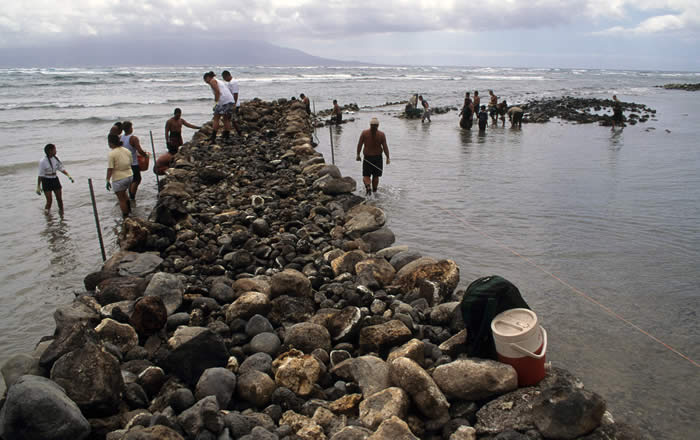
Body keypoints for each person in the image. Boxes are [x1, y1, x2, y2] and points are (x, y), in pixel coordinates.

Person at [356, 117, 390, 196]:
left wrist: (358, 155)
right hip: (377, 158)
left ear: (370, 125)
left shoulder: (364, 133)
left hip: (368, 158)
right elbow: (385, 147)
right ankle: (374, 191)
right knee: (376, 176)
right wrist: (388, 157)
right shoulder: (381, 134)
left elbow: (359, 145)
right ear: (378, 125)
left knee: (366, 175)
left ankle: (368, 187)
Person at [36, 143, 74, 215]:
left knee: (59, 199)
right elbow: (40, 175)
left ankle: (62, 214)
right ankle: (47, 215)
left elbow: (61, 168)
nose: (56, 151)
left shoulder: (55, 159)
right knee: (49, 200)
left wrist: (68, 176)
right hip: (46, 180)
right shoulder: (42, 161)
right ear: (50, 151)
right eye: (54, 149)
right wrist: (38, 186)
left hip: (55, 179)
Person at [106, 133, 133, 218]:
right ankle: (130, 211)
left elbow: (110, 169)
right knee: (125, 194)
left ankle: (125, 217)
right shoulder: (126, 150)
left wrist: (107, 180)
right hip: (129, 176)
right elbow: (131, 162)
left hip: (119, 178)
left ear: (111, 143)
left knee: (121, 199)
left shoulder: (112, 154)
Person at [120, 121, 149, 200]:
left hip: (124, 162)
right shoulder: (133, 138)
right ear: (129, 128)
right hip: (133, 163)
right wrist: (145, 155)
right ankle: (132, 196)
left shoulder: (120, 138)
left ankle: (129, 195)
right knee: (137, 179)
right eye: (131, 127)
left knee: (130, 179)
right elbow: (139, 150)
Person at [203, 71, 235, 142]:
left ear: (208, 78)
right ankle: (227, 136)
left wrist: (216, 103)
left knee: (216, 118)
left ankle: (213, 137)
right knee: (226, 119)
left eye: (205, 80)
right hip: (229, 100)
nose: (206, 82)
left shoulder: (212, 81)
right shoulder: (217, 80)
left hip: (223, 101)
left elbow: (217, 92)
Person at [221, 70, 243, 136]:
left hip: (234, 103)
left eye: (224, 78)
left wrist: (234, 104)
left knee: (231, 119)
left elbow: (235, 93)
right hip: (231, 103)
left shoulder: (233, 82)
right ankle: (236, 132)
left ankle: (238, 132)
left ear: (227, 76)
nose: (224, 79)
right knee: (230, 119)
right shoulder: (230, 83)